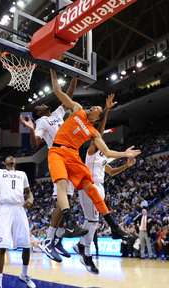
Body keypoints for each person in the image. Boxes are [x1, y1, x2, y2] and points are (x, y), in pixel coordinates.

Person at [48, 69, 141, 241]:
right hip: (57, 151)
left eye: (96, 109)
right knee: (62, 184)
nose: (93, 107)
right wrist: (53, 70)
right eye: (94, 106)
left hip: (72, 155)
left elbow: (106, 151)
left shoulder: (93, 132)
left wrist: (124, 153)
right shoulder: (78, 109)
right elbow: (58, 92)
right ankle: (69, 223)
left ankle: (114, 227)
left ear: (97, 117)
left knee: (92, 188)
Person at [19, 59, 79, 262]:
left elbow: (67, 97)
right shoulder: (42, 121)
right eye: (41, 105)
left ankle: (58, 240)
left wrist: (74, 77)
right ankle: (48, 239)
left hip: (70, 155)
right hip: (58, 157)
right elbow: (36, 145)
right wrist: (31, 129)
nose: (45, 103)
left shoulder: (56, 114)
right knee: (63, 199)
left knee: (68, 201)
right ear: (39, 112)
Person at [73, 94, 136, 274]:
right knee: (92, 221)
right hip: (88, 185)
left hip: (99, 186)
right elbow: (100, 127)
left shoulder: (102, 156)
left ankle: (81, 247)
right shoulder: (93, 149)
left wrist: (126, 165)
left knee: (92, 221)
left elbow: (112, 172)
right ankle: (86, 254)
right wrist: (106, 110)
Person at [0, 156, 36, 288]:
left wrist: (31, 197)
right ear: (5, 163)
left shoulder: (22, 174)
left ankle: (24, 275)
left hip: (19, 208)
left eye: (13, 157)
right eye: (8, 158)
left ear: (15, 162)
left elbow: (28, 191)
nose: (11, 157)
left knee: (26, 245)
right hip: (5, 209)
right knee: (2, 247)